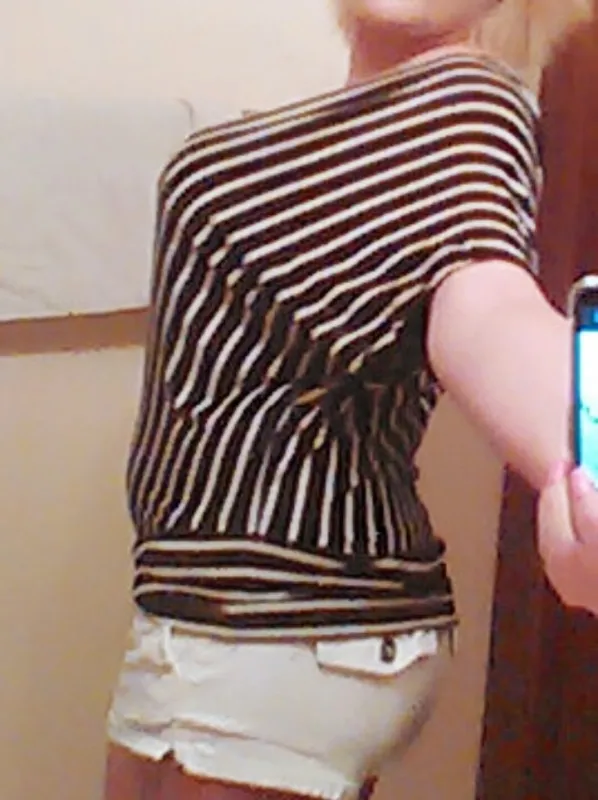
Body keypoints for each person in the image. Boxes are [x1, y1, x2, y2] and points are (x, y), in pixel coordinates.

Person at [104, 1, 598, 798]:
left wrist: (577, 458)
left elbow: (485, 299)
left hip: (291, 619)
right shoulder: (345, 126)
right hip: (200, 608)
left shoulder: (466, 102)